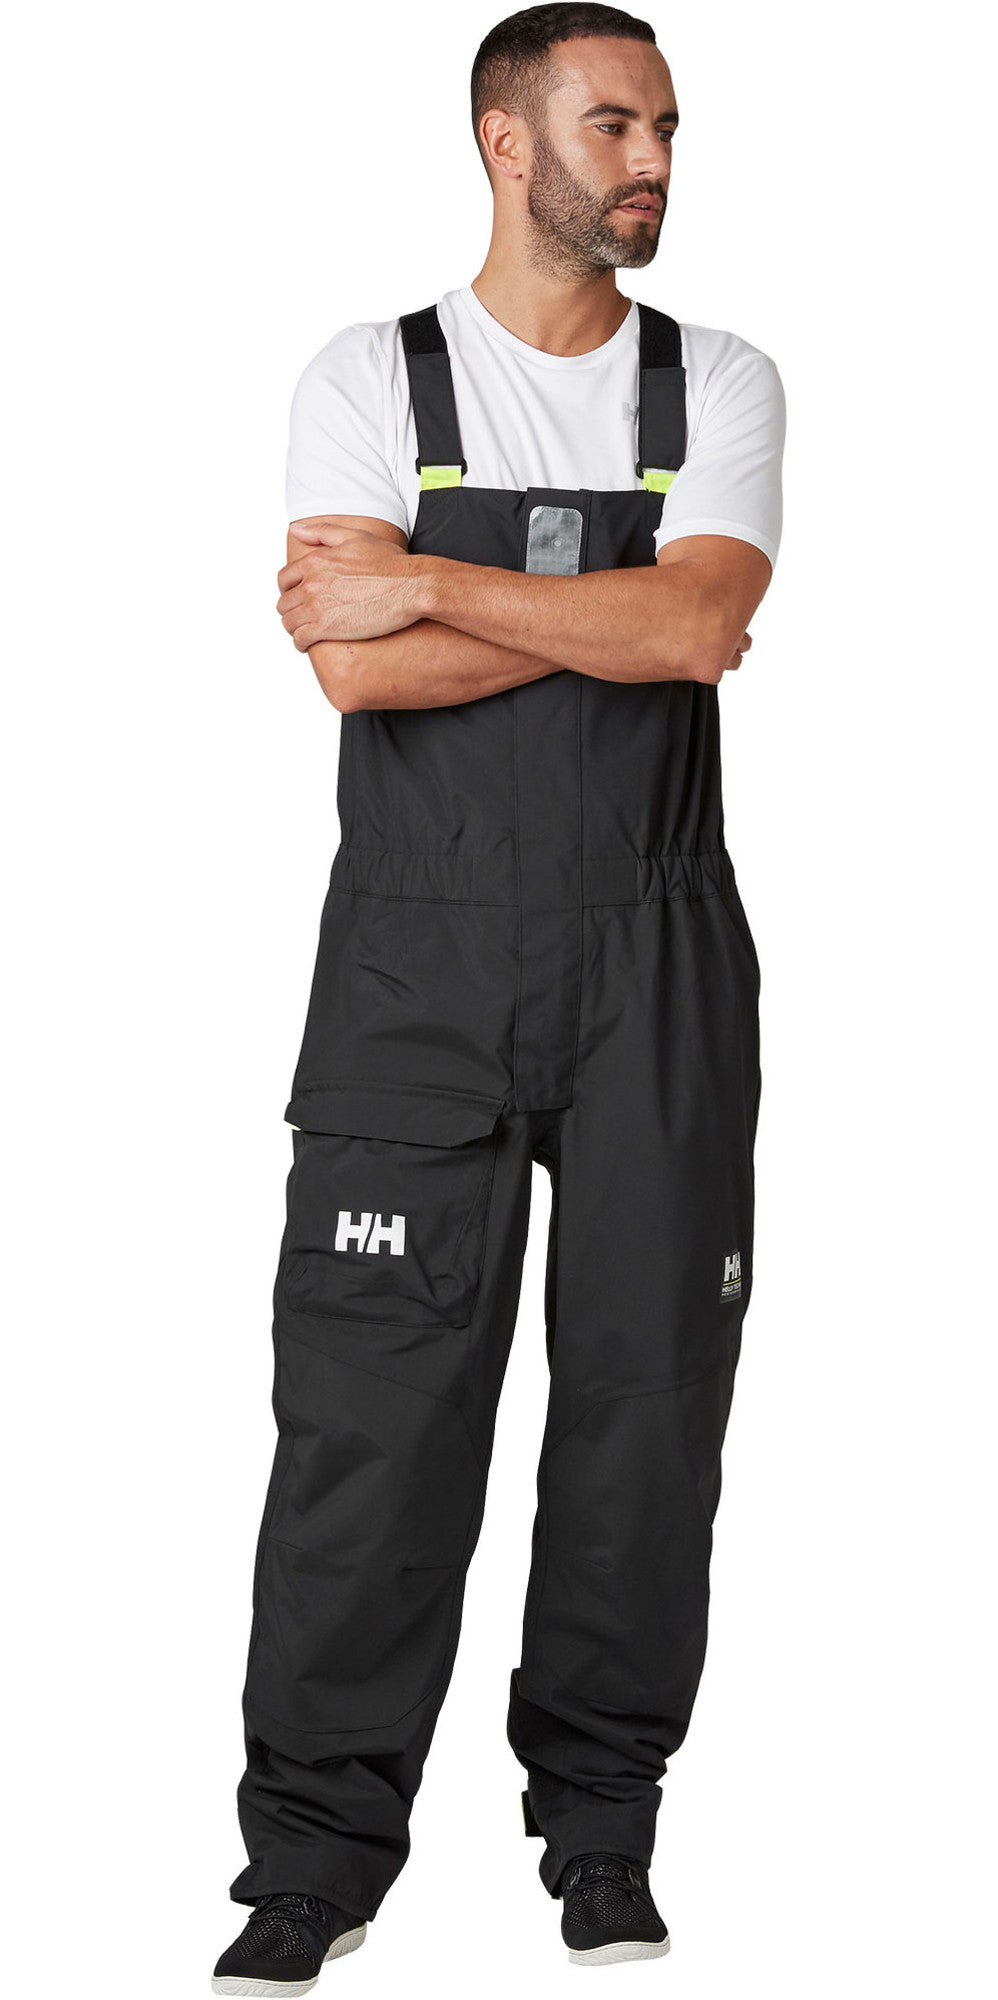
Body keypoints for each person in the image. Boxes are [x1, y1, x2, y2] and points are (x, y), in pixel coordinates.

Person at [212, 3, 785, 1988]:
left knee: (646, 1414)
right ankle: (312, 1861)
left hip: (656, 963)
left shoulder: (717, 378)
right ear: (504, 140)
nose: (652, 161)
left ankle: (600, 1833)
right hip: (414, 970)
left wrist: (438, 582)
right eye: (611, 123)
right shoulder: (366, 373)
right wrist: (599, 615)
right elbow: (349, 671)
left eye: (666, 126)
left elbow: (698, 624)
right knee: (367, 1423)